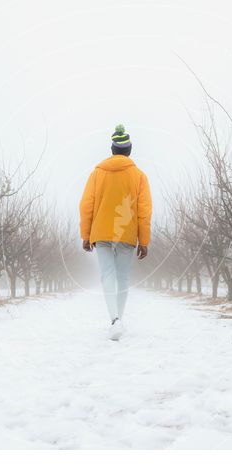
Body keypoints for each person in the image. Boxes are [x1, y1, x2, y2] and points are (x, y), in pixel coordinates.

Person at [79, 124, 152, 340]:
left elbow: (86, 205)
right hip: (127, 233)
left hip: (100, 232)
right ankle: (118, 319)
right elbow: (144, 211)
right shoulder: (139, 176)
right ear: (129, 150)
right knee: (122, 277)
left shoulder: (97, 174)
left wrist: (85, 235)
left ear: (112, 150)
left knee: (107, 276)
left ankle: (114, 320)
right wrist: (144, 240)